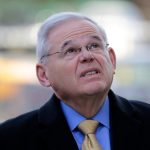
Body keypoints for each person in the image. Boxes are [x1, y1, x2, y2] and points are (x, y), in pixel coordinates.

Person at [0, 12, 150, 150]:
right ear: (44, 75)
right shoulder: (10, 139)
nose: (87, 56)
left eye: (94, 45)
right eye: (71, 50)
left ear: (111, 59)